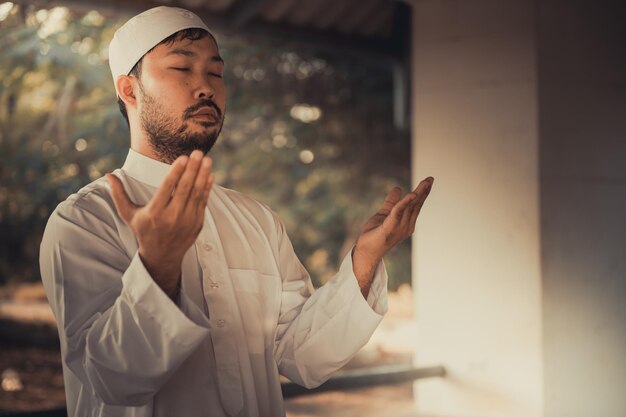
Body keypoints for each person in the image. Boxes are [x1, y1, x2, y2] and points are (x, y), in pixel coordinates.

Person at [39, 6, 433, 417]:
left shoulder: (256, 220)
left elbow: (302, 356)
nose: (205, 87)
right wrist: (157, 266)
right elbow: (113, 380)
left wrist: (365, 260)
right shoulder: (84, 221)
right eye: (181, 69)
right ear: (130, 90)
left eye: (215, 73)